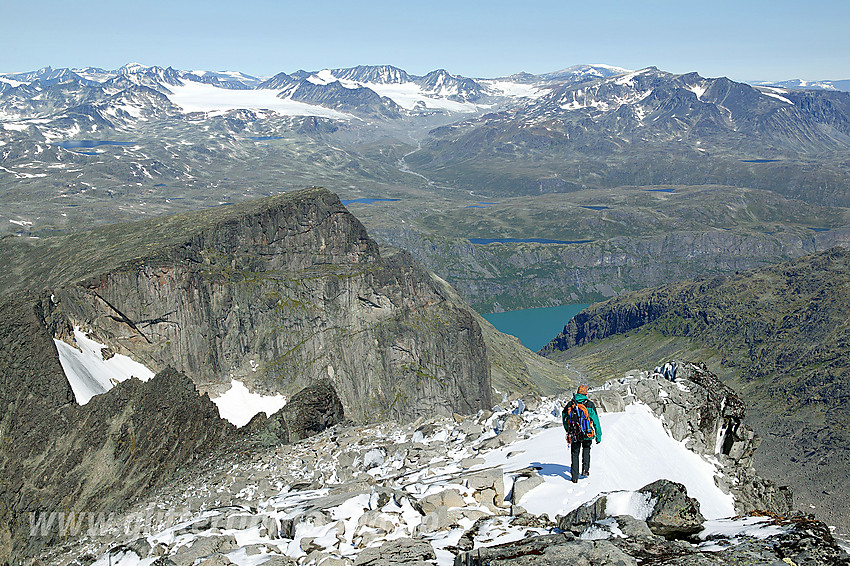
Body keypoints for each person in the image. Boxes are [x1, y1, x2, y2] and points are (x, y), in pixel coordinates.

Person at [562, 385, 602, 483]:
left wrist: (568, 430)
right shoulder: (589, 404)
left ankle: (574, 477)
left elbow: (564, 417)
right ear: (585, 393)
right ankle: (585, 470)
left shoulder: (571, 404)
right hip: (587, 433)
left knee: (575, 454)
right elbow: (596, 421)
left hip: (575, 433)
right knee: (586, 450)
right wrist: (598, 436)